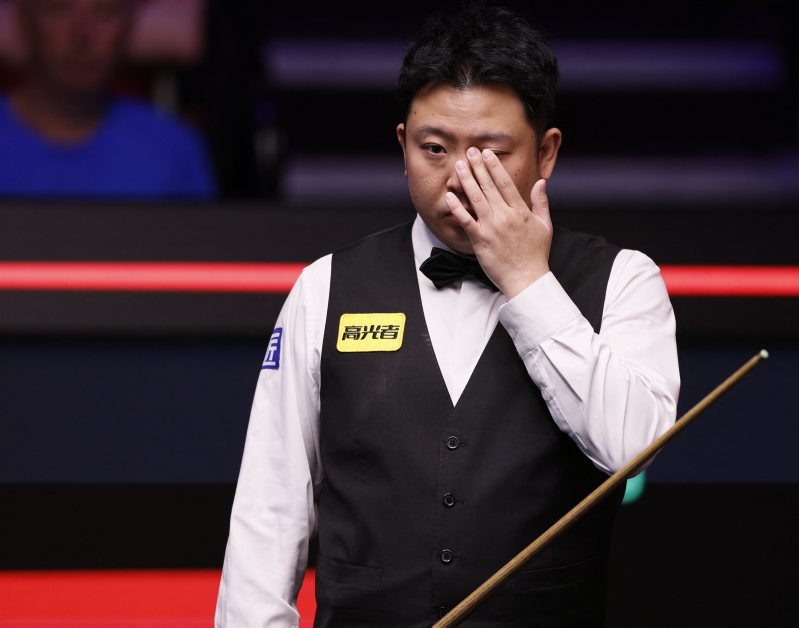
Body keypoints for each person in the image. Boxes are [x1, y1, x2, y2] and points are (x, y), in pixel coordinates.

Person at [216, 3, 679, 626]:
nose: (460, 178)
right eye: (434, 149)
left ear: (546, 154)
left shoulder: (623, 280)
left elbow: (634, 450)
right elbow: (269, 506)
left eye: (492, 153)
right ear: (402, 146)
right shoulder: (325, 287)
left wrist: (528, 282)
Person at [0, 0, 215, 199]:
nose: (81, 36)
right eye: (59, 10)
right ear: (24, 22)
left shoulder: (173, 148)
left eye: (104, 13)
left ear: (128, 26)